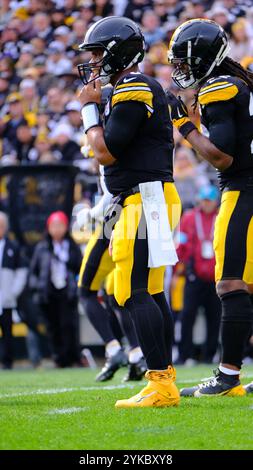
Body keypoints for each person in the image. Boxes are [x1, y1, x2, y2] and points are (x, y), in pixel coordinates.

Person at [77, 16, 181, 408]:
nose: (93, 60)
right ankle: (163, 377)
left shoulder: (135, 87)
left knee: (136, 290)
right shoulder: (129, 88)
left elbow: (105, 151)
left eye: (99, 52)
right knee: (145, 290)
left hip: (145, 200)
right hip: (142, 199)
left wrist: (89, 111)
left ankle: (160, 385)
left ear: (118, 51)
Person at [167, 18, 253, 397]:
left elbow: (222, 158)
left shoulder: (219, 86)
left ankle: (227, 376)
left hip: (244, 190)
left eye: (185, 62)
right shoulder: (241, 82)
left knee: (231, 283)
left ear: (203, 59)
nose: (180, 70)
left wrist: (184, 126)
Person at [173, 185, 221, 365]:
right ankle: (184, 354)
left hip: (216, 276)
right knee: (187, 316)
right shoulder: (189, 217)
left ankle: (210, 355)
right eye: (204, 200)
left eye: (210, 200)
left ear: (215, 201)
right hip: (194, 275)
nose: (206, 204)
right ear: (199, 200)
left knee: (214, 317)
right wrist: (180, 264)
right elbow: (182, 242)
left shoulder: (220, 217)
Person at [29, 211, 82, 368]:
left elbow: (79, 267)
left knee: (68, 324)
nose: (57, 229)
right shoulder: (42, 248)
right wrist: (37, 287)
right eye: (54, 226)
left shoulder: (72, 247)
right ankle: (58, 357)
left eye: (60, 225)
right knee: (52, 326)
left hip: (67, 291)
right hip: (48, 292)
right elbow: (34, 271)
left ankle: (70, 357)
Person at [0, 212, 27, 369]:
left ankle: (7, 362)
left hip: (6, 299)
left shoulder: (13, 247)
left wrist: (12, 293)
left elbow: (21, 272)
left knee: (7, 332)